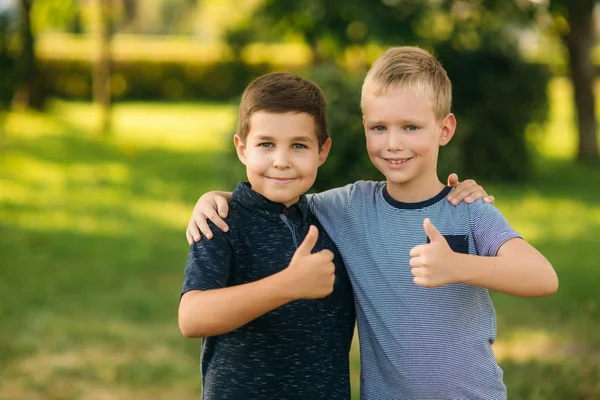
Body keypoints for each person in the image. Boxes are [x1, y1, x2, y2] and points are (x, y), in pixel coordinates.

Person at [185, 46, 559, 399]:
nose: (393, 143)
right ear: (365, 126)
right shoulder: (351, 207)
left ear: (445, 129)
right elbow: (280, 194)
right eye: (379, 128)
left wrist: (459, 265)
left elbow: (542, 277)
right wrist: (219, 199)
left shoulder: (470, 209)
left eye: (410, 127)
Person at [178, 72, 357, 400]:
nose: (281, 161)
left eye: (299, 146)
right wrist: (288, 285)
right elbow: (191, 317)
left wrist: (462, 196)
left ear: (323, 150)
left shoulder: (335, 221)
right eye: (266, 145)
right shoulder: (220, 221)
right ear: (242, 148)